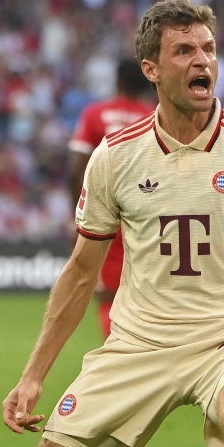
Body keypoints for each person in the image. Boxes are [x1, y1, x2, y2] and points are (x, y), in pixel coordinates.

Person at [2, 0, 224, 447]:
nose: (202, 60)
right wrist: (32, 376)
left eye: (208, 49)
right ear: (150, 69)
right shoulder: (115, 156)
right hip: (140, 341)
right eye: (184, 51)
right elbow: (81, 272)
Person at [67, 58, 156, 338]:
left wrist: (78, 219)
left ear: (117, 81)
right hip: (147, 217)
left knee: (109, 293)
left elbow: (76, 169)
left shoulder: (95, 114)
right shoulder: (155, 117)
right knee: (149, 293)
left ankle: (119, 350)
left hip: (107, 217)